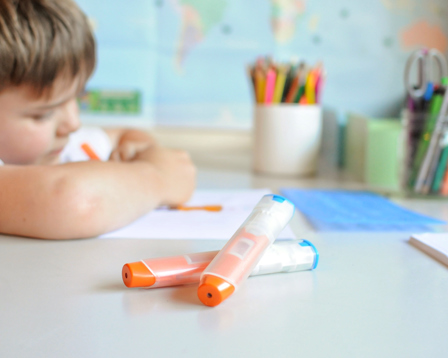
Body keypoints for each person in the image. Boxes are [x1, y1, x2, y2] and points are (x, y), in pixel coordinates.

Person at [0, 0, 196, 239]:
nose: (73, 124)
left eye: (76, 98)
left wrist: (141, 149)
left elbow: (123, 135)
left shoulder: (62, 144)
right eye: (44, 113)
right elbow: (73, 201)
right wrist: (158, 176)